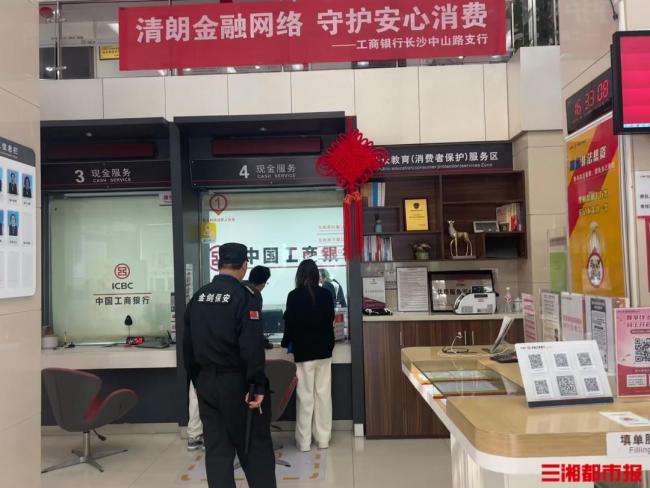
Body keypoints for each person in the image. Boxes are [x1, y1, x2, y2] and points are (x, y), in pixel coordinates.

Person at [184, 242, 276, 488]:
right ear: (244, 266)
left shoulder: (198, 297)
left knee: (217, 451)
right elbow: (251, 346)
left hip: (206, 384)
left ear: (218, 264)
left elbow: (187, 346)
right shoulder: (245, 297)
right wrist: (257, 385)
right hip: (238, 385)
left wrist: (198, 382)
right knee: (255, 448)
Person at [282, 259, 335, 452]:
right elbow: (330, 320)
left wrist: (285, 343)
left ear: (299, 276)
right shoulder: (326, 294)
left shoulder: (293, 296)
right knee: (323, 395)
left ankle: (304, 442)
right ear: (316, 275)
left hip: (303, 353)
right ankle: (323, 439)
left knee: (305, 396)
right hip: (324, 351)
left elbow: (290, 325)